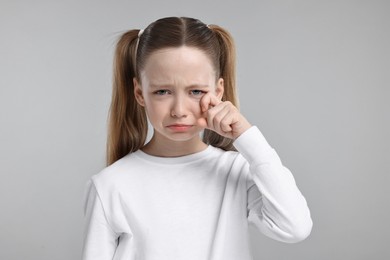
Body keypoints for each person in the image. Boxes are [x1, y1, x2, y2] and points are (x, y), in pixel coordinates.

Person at [82, 16, 312, 260]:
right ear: (139, 93)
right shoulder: (110, 185)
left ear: (218, 91)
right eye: (162, 91)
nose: (179, 110)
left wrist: (247, 137)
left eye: (196, 92)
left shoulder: (235, 172)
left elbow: (294, 227)